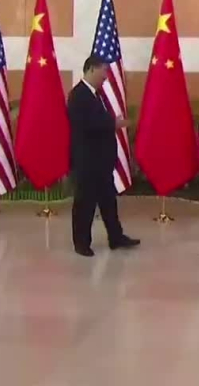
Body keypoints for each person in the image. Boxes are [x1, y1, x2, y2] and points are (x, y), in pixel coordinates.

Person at [68, 55, 140, 257]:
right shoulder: (78, 95)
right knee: (85, 204)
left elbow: (98, 119)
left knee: (108, 201)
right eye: (104, 71)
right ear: (91, 69)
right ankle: (81, 243)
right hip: (87, 161)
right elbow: (86, 124)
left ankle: (116, 237)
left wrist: (111, 123)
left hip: (101, 162)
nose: (106, 76)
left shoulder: (95, 95)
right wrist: (113, 123)